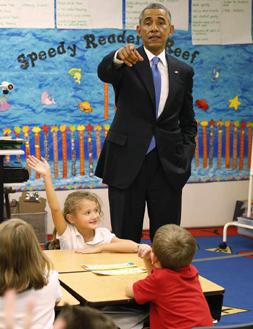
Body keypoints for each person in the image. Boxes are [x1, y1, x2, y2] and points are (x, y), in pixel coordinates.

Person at [95, 3, 197, 243]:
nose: (154, 28)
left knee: (168, 240)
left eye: (161, 22)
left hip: (168, 166)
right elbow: (104, 72)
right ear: (138, 30)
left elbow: (188, 121)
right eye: (148, 22)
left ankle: (164, 281)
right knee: (125, 236)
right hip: (126, 163)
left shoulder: (183, 71)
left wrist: (184, 157)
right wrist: (118, 56)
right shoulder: (128, 63)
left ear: (170, 30)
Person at [125, 224, 213, 329]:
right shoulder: (192, 272)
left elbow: (130, 289)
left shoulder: (159, 281)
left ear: (155, 257)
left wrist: (149, 258)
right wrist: (150, 258)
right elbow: (157, 278)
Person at [27, 155, 138, 252]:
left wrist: (101, 247)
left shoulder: (103, 234)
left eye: (95, 210)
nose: (94, 216)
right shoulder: (67, 234)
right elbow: (55, 209)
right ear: (71, 218)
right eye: (87, 213)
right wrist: (47, 176)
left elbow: (133, 246)